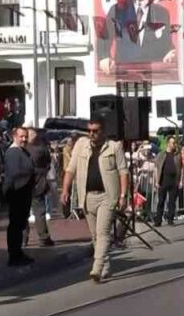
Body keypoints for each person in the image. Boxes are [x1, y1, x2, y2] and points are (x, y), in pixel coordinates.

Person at [61, 118, 129, 283]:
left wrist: (123, 196)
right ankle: (105, 267)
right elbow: (71, 169)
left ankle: (97, 268)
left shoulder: (114, 146)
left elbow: (123, 172)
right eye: (89, 130)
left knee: (103, 232)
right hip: (87, 196)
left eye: (95, 131)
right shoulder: (81, 145)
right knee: (95, 235)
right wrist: (65, 189)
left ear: (103, 131)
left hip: (107, 196)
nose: (92, 134)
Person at [2, 127, 36, 266]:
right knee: (15, 224)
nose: (24, 139)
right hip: (17, 193)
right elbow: (16, 173)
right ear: (14, 136)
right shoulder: (12, 152)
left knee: (21, 223)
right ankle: (14, 254)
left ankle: (18, 251)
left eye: (26, 136)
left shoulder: (23, 151)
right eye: (21, 136)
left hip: (24, 193)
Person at [26, 127, 55, 248]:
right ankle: (43, 237)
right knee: (39, 211)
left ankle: (23, 239)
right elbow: (48, 162)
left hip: (26, 183)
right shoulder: (41, 149)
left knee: (24, 212)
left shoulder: (24, 149)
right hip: (39, 182)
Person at [153, 136, 184, 226]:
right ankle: (158, 220)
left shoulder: (177, 155)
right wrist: (156, 181)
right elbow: (156, 168)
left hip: (174, 180)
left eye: (175, 143)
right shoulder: (161, 154)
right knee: (161, 201)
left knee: (172, 202)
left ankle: (170, 219)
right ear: (168, 143)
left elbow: (182, 168)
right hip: (163, 180)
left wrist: (181, 181)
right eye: (172, 143)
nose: (174, 145)